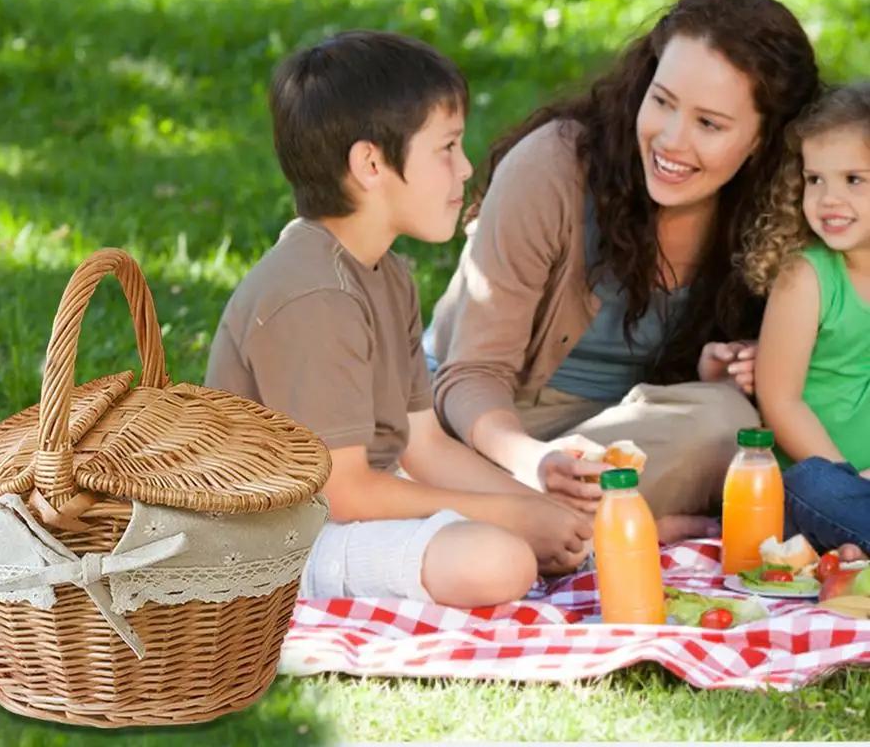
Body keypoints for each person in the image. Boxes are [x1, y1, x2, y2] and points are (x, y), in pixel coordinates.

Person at [206, 30, 593, 608]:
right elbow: (343, 492)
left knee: (533, 530)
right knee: (499, 558)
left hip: (346, 509)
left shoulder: (387, 275)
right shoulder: (314, 295)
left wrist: (535, 506)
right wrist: (511, 516)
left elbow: (425, 444)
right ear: (371, 163)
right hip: (274, 540)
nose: (465, 168)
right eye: (447, 148)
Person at [428, 0, 823, 529]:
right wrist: (533, 460)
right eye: (662, 102)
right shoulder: (553, 168)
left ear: (764, 139)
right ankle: (595, 525)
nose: (671, 140)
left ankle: (550, 526)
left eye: (709, 123)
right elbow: (470, 373)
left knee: (729, 421)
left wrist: (754, 361)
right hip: (492, 427)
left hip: (628, 438)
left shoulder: (785, 213)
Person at [745, 82, 870, 556]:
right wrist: (849, 480)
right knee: (818, 488)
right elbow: (780, 400)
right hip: (811, 485)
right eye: (815, 179)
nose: (828, 198)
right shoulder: (806, 277)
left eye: (853, 179)